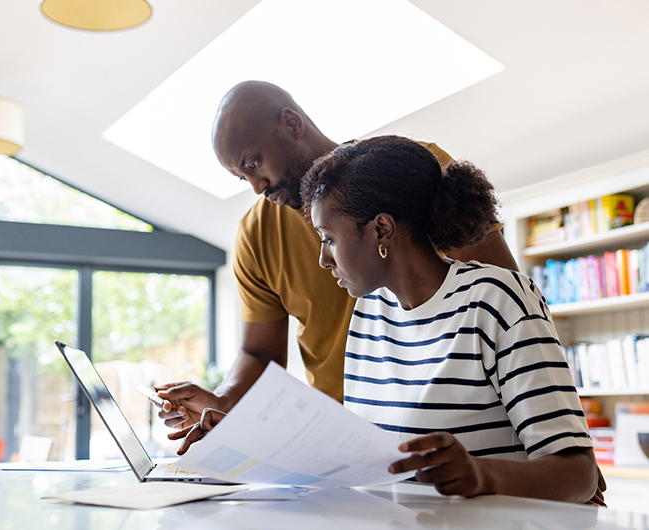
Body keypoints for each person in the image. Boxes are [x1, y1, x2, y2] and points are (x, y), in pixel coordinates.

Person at [171, 135, 603, 504]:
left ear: (381, 231)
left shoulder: (498, 299)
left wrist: (480, 475)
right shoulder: (369, 315)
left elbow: (579, 475)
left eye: (330, 239)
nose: (323, 259)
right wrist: (243, 440)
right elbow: (365, 459)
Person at [155, 81, 518, 430]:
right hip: (342, 436)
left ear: (292, 123)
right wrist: (221, 402)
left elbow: (503, 298)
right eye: (241, 178)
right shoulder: (255, 234)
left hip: (450, 417)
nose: (256, 187)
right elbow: (259, 354)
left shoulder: (411, 172)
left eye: (253, 164)